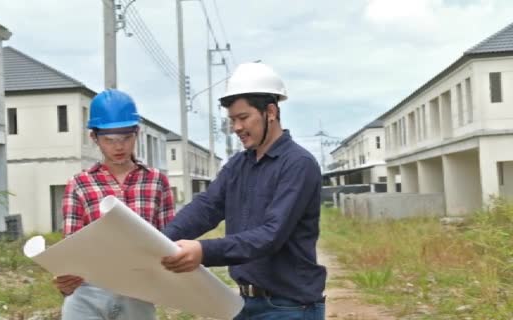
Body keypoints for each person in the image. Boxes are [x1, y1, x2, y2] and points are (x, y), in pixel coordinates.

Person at [161, 62, 326, 319]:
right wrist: (161, 240)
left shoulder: (297, 164)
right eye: (232, 120)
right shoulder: (239, 164)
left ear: (270, 112)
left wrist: (203, 251)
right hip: (245, 304)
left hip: (289, 307)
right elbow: (207, 206)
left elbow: (271, 235)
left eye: (243, 117)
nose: (236, 127)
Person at [54, 89, 175, 320]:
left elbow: (169, 240)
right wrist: (64, 277)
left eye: (125, 138)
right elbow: (71, 246)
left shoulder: (156, 181)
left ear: (136, 133)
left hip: (138, 294)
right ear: (94, 138)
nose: (118, 147)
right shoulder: (80, 184)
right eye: (109, 140)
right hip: (87, 294)